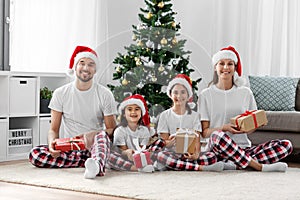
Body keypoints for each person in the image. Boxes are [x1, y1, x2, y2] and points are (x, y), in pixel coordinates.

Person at [199, 45, 293, 171]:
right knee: (218, 135)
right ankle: (257, 166)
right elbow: (204, 132)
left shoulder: (245, 93)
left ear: (235, 68)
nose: (226, 67)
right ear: (215, 67)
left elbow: (249, 130)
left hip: (243, 148)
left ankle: (233, 163)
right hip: (217, 149)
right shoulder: (206, 94)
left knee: (286, 145)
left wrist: (254, 125)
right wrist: (224, 128)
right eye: (221, 63)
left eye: (230, 64)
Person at [29, 45, 117, 179]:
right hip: (71, 148)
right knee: (36, 154)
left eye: (91, 64)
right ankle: (90, 163)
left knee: (102, 136)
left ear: (95, 69)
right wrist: (53, 144)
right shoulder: (60, 93)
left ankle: (96, 164)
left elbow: (112, 129)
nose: (86, 68)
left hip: (97, 147)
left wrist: (93, 135)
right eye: (82, 63)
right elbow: (53, 129)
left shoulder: (105, 94)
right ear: (75, 67)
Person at [156, 74, 224, 172]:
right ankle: (200, 168)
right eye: (175, 92)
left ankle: (178, 165)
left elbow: (197, 138)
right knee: (161, 155)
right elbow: (164, 141)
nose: (179, 96)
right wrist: (168, 143)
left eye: (183, 92)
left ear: (188, 96)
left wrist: (196, 154)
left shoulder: (195, 116)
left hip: (190, 153)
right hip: (172, 154)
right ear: (170, 95)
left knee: (212, 156)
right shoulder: (164, 115)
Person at [110, 94, 160, 173]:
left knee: (158, 148)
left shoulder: (144, 131)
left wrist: (141, 155)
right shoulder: (120, 131)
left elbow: (142, 149)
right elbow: (121, 151)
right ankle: (135, 168)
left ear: (141, 113)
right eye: (129, 109)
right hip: (124, 157)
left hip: (139, 157)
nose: (133, 112)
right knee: (110, 156)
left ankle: (144, 165)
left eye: (137, 109)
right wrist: (127, 152)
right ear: (124, 114)